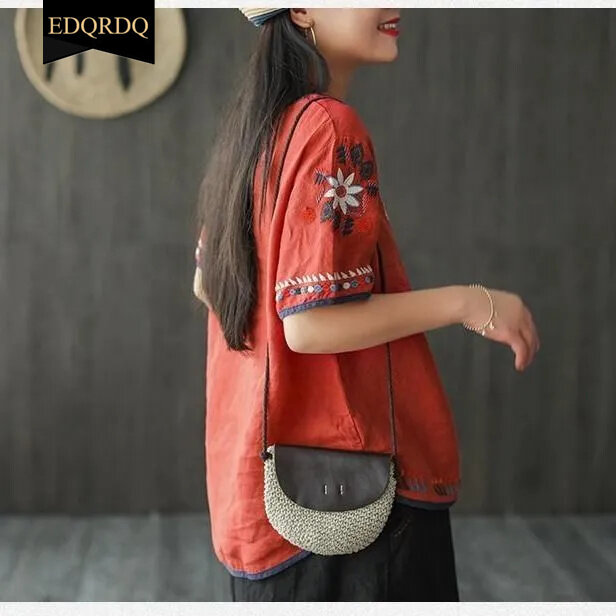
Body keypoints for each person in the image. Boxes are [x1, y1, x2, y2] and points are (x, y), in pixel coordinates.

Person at [193, 7, 540, 602]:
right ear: (301, 9)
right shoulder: (329, 127)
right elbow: (309, 325)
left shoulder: (255, 131)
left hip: (259, 494)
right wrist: (469, 302)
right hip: (349, 499)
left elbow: (209, 285)